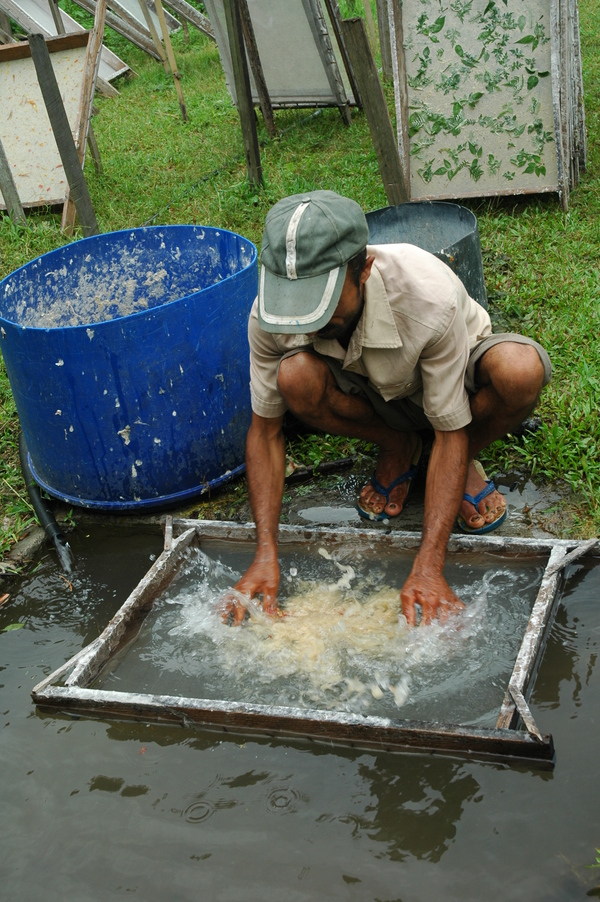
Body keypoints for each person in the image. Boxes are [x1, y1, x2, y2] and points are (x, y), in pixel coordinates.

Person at [227, 190, 551, 626]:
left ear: (362, 270)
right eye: (293, 296)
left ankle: (451, 462)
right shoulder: (271, 315)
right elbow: (264, 432)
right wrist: (264, 553)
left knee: (520, 371)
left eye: (317, 298)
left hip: (452, 387)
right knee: (294, 378)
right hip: (370, 392)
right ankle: (398, 445)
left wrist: (428, 568)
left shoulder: (426, 297)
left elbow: (450, 426)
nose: (304, 317)